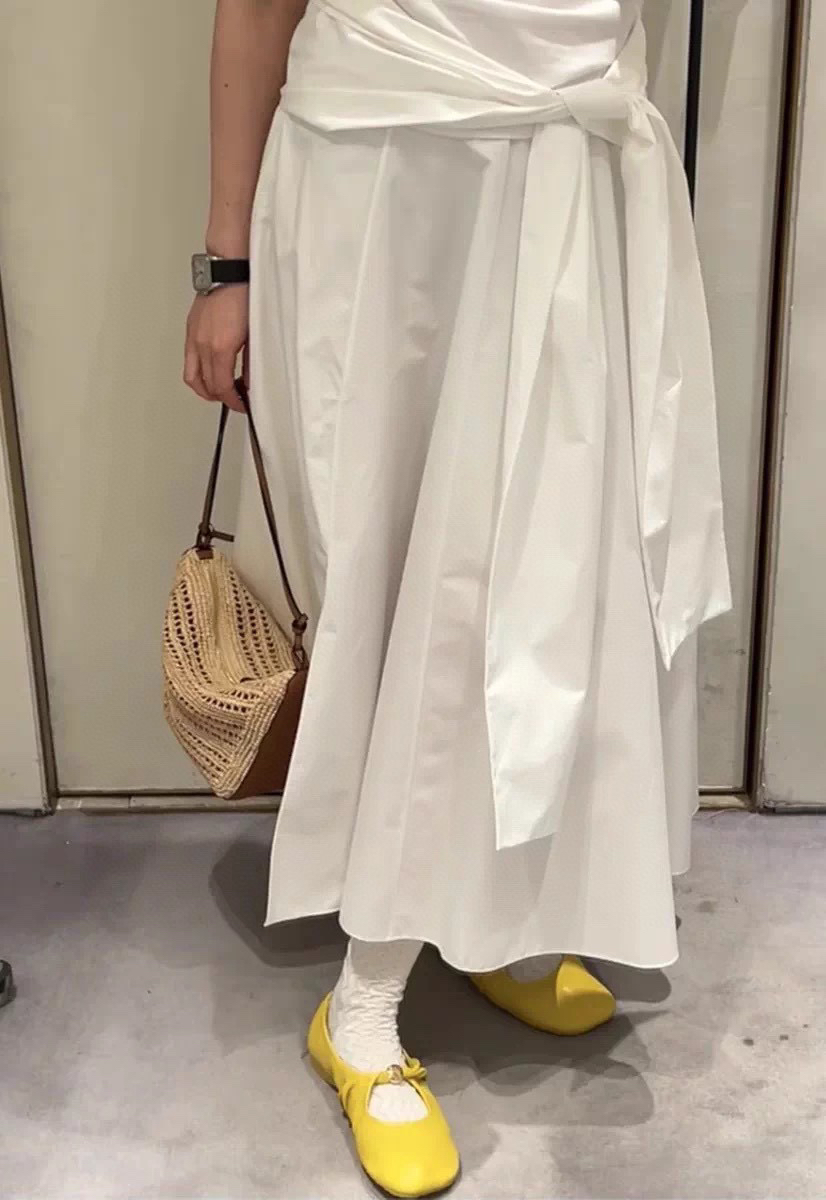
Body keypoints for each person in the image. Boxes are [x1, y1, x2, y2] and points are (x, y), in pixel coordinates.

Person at [184, 0, 732, 1194]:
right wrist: (224, 264)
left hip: (573, 176)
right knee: (417, 597)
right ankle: (361, 1007)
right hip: (386, 183)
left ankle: (482, 917)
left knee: (557, 578)